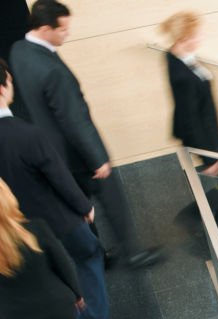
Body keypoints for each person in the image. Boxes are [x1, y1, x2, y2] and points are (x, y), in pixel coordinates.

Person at [9, 1, 158, 268]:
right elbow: (73, 118)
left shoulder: (19, 50)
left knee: (78, 205)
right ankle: (133, 253)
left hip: (53, 149)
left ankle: (97, 255)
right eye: (63, 29)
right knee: (111, 197)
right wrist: (97, 157)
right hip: (76, 151)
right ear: (45, 28)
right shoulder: (52, 70)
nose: (68, 34)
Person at [0, 58, 120, 319]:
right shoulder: (28, 134)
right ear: (2, 88)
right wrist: (84, 207)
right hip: (54, 217)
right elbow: (59, 177)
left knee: (46, 268)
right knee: (88, 255)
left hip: (11, 226)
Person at [159, 11, 218, 238]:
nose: (201, 38)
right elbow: (190, 118)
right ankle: (192, 215)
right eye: (197, 35)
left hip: (209, 131)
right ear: (184, 38)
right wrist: (207, 158)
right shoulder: (183, 76)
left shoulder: (176, 56)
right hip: (203, 136)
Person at [0, 179, 83, 319]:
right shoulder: (36, 228)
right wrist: (76, 294)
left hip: (21, 315)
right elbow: (63, 264)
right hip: (57, 302)